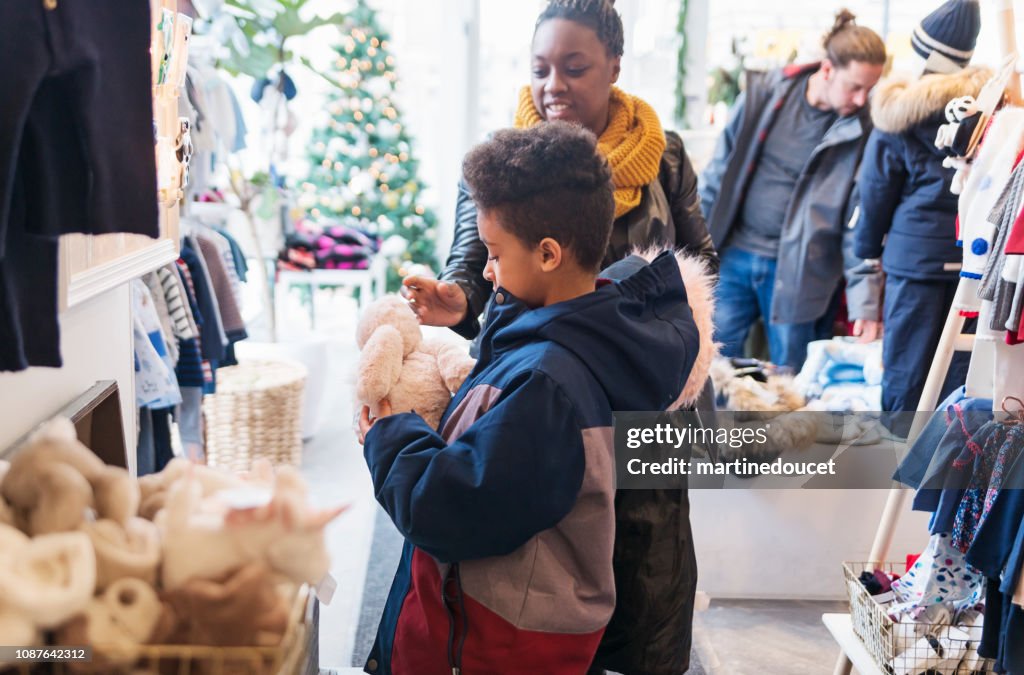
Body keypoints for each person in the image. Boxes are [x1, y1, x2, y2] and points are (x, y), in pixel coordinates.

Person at [403, 2, 713, 672]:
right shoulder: (503, 160)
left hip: (644, 398)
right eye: (541, 68)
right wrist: (455, 297)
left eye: (575, 68)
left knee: (645, 580)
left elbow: (697, 259)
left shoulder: (663, 153)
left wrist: (688, 343)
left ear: (614, 69)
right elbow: (474, 259)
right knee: (536, 574)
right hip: (543, 394)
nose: (554, 86)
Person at [699, 9, 887, 371]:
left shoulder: (862, 133)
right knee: (711, 371)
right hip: (733, 256)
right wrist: (692, 251)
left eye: (870, 89)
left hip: (801, 274)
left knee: (794, 382)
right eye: (855, 87)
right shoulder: (766, 95)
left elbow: (859, 224)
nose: (863, 100)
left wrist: (864, 304)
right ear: (827, 69)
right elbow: (716, 176)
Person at [855, 0, 985, 430]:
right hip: (973, 259)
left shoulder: (897, 114)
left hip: (914, 262)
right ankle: (949, 459)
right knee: (960, 365)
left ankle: (896, 462)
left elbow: (875, 191)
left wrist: (867, 249)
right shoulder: (988, 111)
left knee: (907, 367)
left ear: (924, 54)